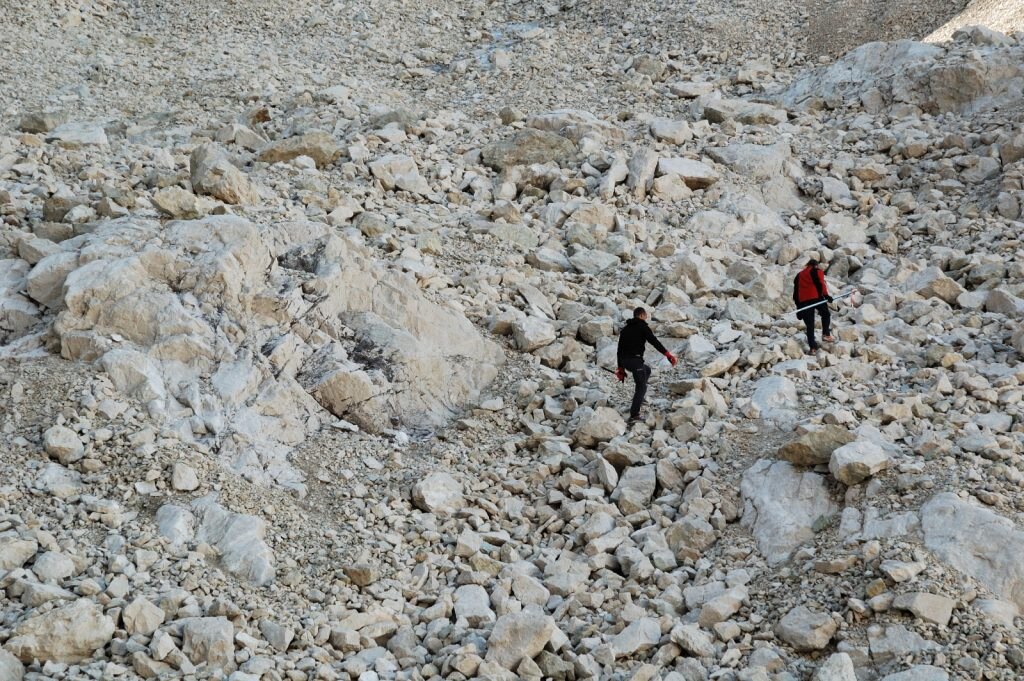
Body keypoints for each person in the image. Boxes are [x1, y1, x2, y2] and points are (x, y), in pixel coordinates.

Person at [614, 307, 677, 423]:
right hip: (635, 361)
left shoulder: (625, 329)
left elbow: (619, 350)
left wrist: (620, 368)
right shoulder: (642, 326)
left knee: (647, 370)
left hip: (625, 361)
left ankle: (639, 398)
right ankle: (634, 415)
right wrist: (667, 354)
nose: (647, 317)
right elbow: (654, 341)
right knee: (642, 386)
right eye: (646, 315)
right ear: (641, 315)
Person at [793, 259, 835, 352]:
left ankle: (813, 348)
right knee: (825, 314)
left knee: (810, 325)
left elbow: (796, 293)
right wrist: (826, 295)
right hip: (816, 298)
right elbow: (821, 284)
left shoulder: (798, 275)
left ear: (808, 265)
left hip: (803, 301)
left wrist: (799, 308)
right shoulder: (817, 271)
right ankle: (826, 334)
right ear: (815, 265)